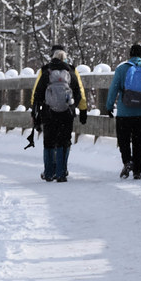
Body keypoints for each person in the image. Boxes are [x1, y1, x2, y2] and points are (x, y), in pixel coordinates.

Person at [29, 44, 87, 182]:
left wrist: (35, 112)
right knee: (64, 141)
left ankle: (49, 172)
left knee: (48, 141)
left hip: (49, 112)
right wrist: (80, 109)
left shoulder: (45, 71)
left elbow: (36, 94)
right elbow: (79, 92)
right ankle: (61, 172)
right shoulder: (71, 71)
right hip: (67, 113)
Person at [104, 43, 141, 179]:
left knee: (123, 139)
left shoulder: (122, 69)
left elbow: (113, 89)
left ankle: (127, 161)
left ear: (130, 55)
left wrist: (109, 106)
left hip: (125, 113)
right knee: (138, 142)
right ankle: (137, 171)